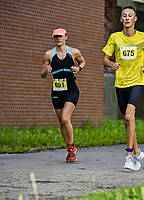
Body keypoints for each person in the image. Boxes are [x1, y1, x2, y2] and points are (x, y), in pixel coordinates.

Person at [103, 6, 144, 170]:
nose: (127, 18)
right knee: (128, 121)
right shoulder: (115, 37)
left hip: (137, 81)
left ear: (135, 19)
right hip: (120, 83)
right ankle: (137, 151)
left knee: (128, 116)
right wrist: (111, 63)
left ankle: (129, 156)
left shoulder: (143, 37)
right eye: (124, 16)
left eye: (130, 16)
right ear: (121, 19)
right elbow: (105, 59)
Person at [41, 28, 86, 162]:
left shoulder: (74, 52)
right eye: (56, 37)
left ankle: (72, 149)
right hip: (57, 92)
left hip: (71, 90)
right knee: (61, 122)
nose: (58, 39)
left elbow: (83, 61)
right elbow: (42, 75)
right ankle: (69, 149)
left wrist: (79, 68)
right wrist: (46, 70)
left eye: (60, 36)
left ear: (66, 37)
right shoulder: (48, 54)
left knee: (65, 118)